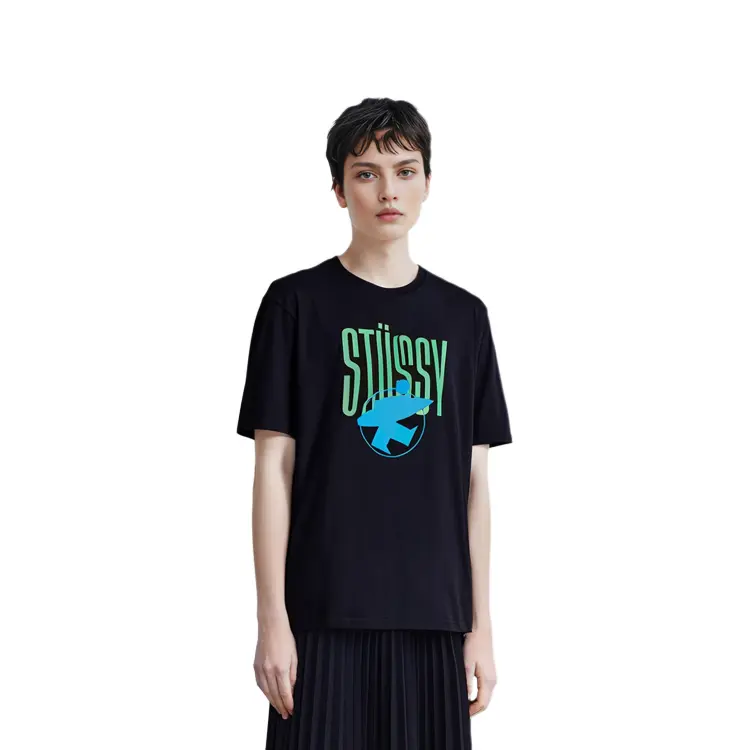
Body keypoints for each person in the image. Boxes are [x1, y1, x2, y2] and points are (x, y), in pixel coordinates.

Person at [236, 97, 513, 749]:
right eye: (366, 173)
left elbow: (474, 487)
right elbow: (274, 470)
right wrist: (272, 620)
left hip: (435, 619)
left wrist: (481, 626)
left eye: (405, 171)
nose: (389, 190)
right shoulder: (294, 304)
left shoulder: (464, 318)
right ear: (339, 190)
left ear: (427, 183)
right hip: (321, 615)